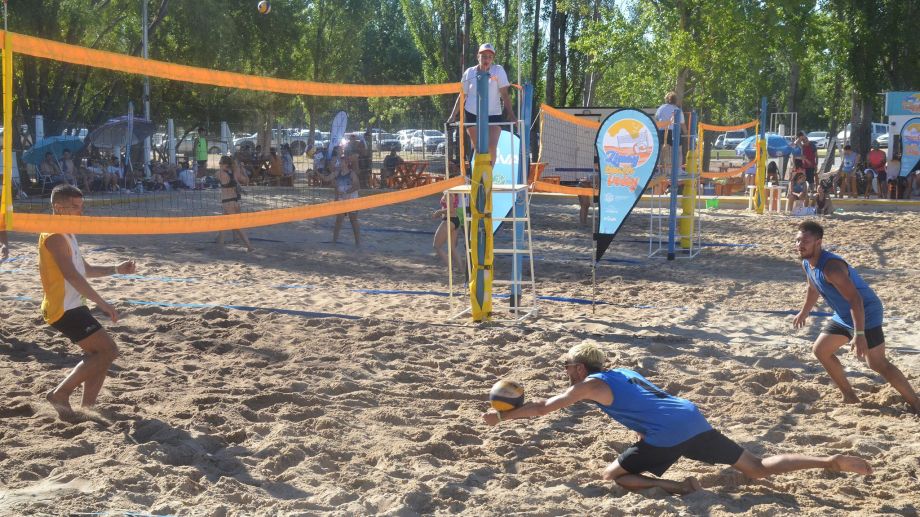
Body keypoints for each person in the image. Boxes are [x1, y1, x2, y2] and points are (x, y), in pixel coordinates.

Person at [482, 341, 872, 495]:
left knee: (611, 477)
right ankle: (829, 461)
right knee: (756, 467)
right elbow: (652, 401)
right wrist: (644, 432)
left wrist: (505, 418)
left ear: (581, 368)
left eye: (567, 366)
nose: (565, 371)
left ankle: (677, 486)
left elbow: (543, 407)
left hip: (668, 432)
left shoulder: (588, 385)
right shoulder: (625, 372)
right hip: (690, 417)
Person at [793, 221, 920, 412]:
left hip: (866, 312)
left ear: (818, 243)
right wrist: (804, 311)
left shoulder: (832, 268)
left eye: (805, 241)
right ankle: (850, 396)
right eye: (797, 240)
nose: (799, 245)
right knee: (821, 350)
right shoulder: (807, 262)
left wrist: (859, 334)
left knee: (876, 363)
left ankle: (916, 403)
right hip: (844, 315)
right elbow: (813, 287)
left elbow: (856, 299)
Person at [40, 184, 136, 420]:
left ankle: (87, 409)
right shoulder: (54, 236)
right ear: (58, 207)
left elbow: (85, 270)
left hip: (74, 305)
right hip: (63, 308)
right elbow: (72, 276)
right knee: (108, 351)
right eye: (74, 207)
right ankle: (60, 393)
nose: (80, 211)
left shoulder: (68, 233)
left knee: (101, 355)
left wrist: (116, 269)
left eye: (81, 206)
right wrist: (103, 304)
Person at [447, 43, 514, 166]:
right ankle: (477, 174)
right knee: (480, 148)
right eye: (483, 56)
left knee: (491, 147)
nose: (486, 59)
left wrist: (512, 115)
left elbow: (505, 94)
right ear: (478, 56)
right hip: (472, 114)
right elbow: (462, 96)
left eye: (490, 57)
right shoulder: (469, 72)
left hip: (494, 114)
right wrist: (452, 115)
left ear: (493, 59)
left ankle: (488, 174)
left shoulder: (498, 70)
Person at [215, 155, 253, 252]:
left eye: (220, 163)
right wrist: (240, 168)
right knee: (223, 224)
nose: (219, 164)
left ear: (223, 164)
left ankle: (249, 246)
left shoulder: (220, 174)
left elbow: (216, 175)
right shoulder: (233, 173)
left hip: (228, 203)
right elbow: (244, 182)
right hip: (235, 202)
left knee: (238, 226)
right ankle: (220, 243)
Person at [330, 146, 361, 246]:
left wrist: (346, 192)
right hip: (342, 198)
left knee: (353, 220)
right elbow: (335, 184)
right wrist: (336, 197)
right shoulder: (336, 164)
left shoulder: (351, 169)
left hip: (351, 198)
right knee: (339, 220)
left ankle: (358, 243)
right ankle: (334, 241)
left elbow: (357, 186)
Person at [432, 192, 462, 270]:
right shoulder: (453, 192)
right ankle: (461, 270)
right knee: (452, 247)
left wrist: (439, 212)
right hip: (454, 220)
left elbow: (451, 209)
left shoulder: (449, 193)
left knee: (436, 245)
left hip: (449, 220)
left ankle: (450, 267)